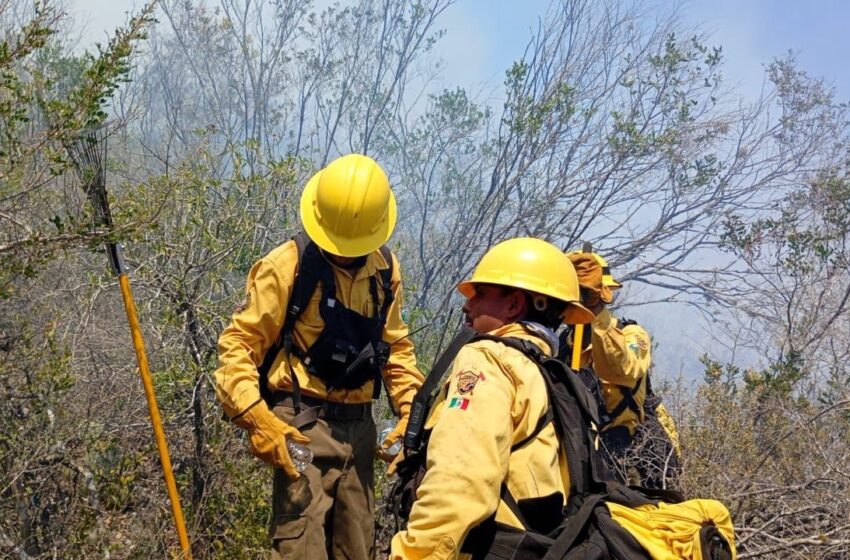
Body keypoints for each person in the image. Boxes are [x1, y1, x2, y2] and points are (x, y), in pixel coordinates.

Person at [214, 154, 423, 560]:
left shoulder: (385, 272)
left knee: (356, 548)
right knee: (301, 549)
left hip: (360, 431)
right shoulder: (286, 266)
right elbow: (238, 346)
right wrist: (259, 420)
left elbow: (396, 349)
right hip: (302, 429)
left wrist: (409, 416)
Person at [390, 237, 594, 559]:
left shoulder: (489, 360)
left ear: (514, 305)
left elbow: (459, 482)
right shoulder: (558, 379)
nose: (467, 305)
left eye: (480, 295)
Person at [559, 251, 655, 481]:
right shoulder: (565, 341)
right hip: (575, 443)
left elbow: (622, 370)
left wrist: (593, 313)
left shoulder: (632, 335)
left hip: (624, 450)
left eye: (589, 294)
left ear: (604, 294)